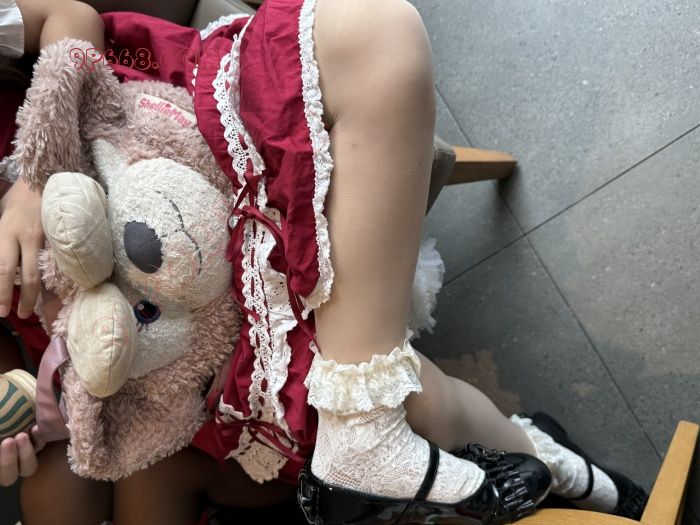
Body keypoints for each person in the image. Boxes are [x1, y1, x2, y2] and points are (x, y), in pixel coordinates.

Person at [0, 0, 647, 523]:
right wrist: (19, 430)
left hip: (186, 148)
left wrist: (36, 171)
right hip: (173, 346)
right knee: (407, 401)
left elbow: (67, 13)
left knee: (377, 34)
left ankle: (412, 438)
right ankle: (562, 468)